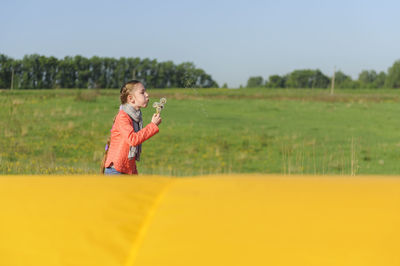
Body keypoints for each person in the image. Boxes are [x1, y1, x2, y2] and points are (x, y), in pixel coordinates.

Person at [101, 80, 162, 175]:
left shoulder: (135, 117)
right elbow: (133, 139)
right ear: (131, 99)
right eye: (142, 92)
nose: (147, 94)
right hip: (116, 170)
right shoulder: (123, 117)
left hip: (128, 169)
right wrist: (152, 126)